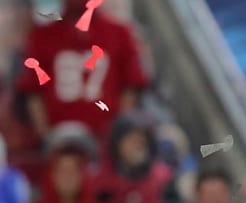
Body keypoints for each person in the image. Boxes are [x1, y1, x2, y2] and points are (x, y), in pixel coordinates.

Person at [16, 0, 150, 145]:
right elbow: (33, 92)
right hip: (59, 143)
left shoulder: (120, 33)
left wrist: (117, 135)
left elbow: (130, 88)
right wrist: (47, 137)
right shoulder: (42, 36)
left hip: (106, 141)